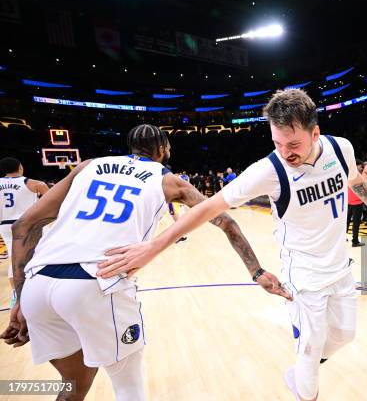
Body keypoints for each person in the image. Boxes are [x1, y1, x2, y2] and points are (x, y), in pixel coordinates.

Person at [96, 90, 367, 401]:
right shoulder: (269, 170)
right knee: (311, 352)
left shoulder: (341, 149)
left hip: (340, 267)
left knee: (344, 335)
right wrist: (153, 247)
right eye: (277, 143)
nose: (286, 152)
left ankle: (300, 370)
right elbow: (208, 207)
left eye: (294, 144)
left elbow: (355, 179)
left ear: (315, 133)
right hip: (303, 276)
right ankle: (304, 376)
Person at [0, 124, 286, 401]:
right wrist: (256, 270)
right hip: (97, 281)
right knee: (128, 390)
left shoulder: (87, 166)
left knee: (74, 386)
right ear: (162, 149)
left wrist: (21, 297)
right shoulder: (168, 180)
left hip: (39, 286)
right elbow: (227, 222)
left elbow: (23, 226)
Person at [0, 157, 49, 307]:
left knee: (15, 258)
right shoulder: (34, 183)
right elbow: (51, 200)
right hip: (28, 224)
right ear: (20, 167)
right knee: (38, 255)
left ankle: (16, 293)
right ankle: (38, 291)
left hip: (5, 225)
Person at [347, 161, 365, 247]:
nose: (362, 168)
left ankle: (342, 241)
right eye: (361, 166)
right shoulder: (358, 175)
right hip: (357, 202)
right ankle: (355, 241)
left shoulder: (346, 172)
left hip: (348, 202)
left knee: (346, 222)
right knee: (355, 223)